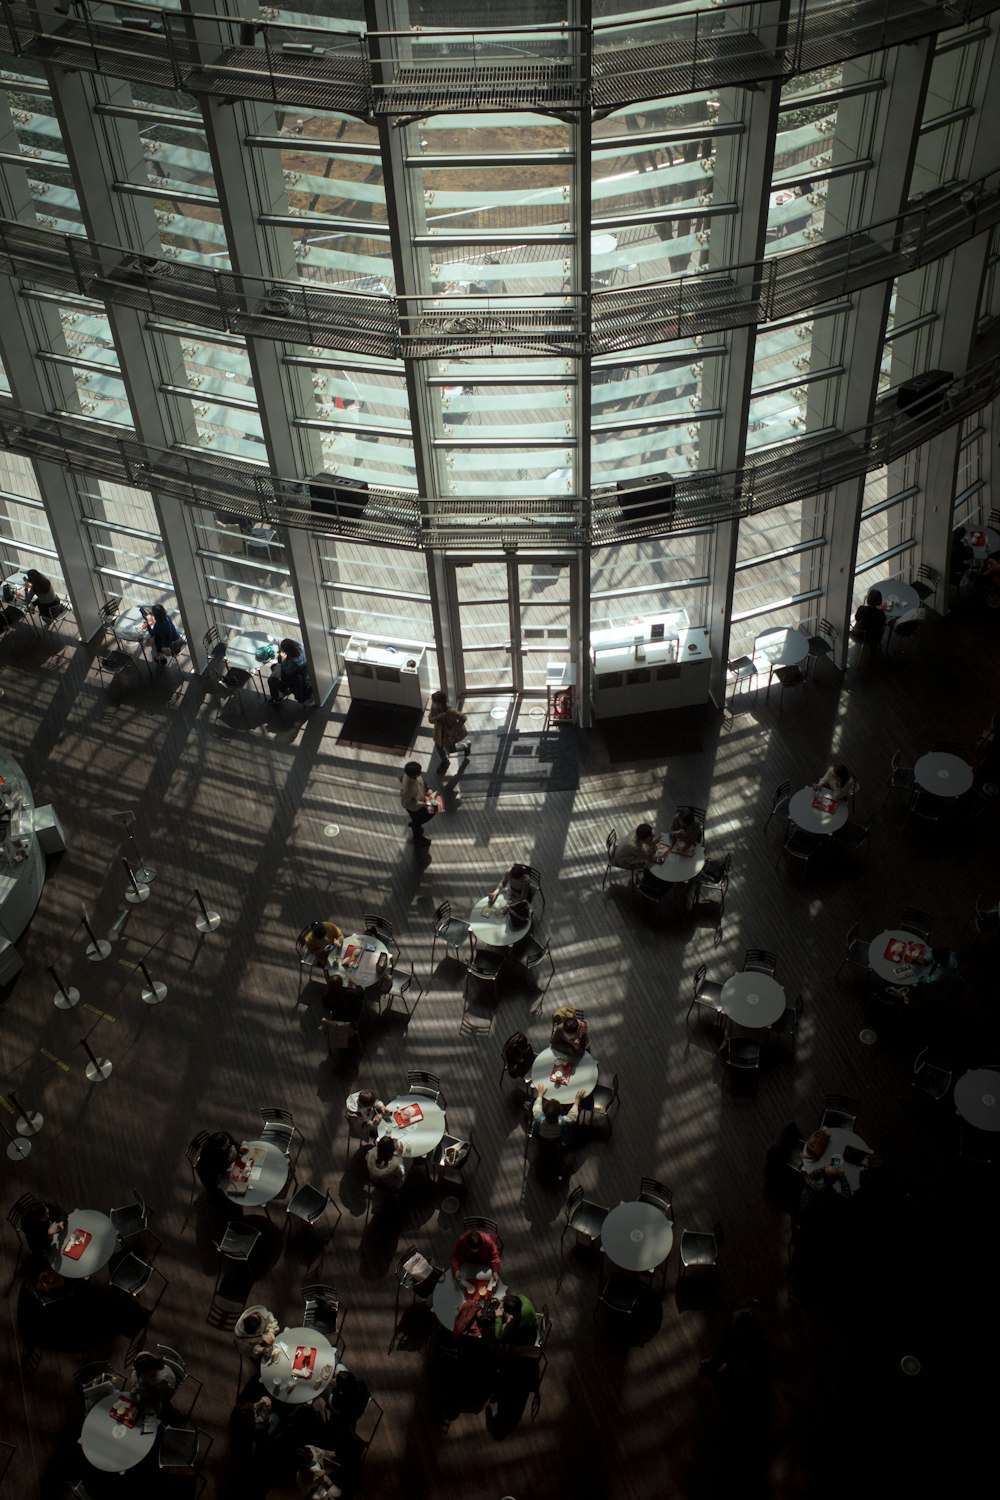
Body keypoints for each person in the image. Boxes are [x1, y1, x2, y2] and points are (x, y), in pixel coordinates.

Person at [531, 1085, 585, 1180]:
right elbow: (573, 1116)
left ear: (543, 1111)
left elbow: (536, 1106)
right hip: (556, 1141)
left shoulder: (538, 1116)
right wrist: (577, 1100)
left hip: (541, 1139)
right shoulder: (563, 1122)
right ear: (561, 1112)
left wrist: (539, 1095)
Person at [428, 689, 470, 774]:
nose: (433, 704)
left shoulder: (450, 711)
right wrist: (438, 717)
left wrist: (455, 727)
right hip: (439, 733)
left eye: (435, 702)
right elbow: (430, 720)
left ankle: (465, 747)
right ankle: (445, 761)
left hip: (449, 735)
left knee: (451, 750)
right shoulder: (434, 709)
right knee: (438, 746)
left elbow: (463, 717)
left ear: (440, 703)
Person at [400, 761, 437, 846]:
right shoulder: (406, 789)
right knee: (422, 818)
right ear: (413, 775)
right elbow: (406, 803)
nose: (420, 773)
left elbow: (421, 781)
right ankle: (417, 837)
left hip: (422, 801)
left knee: (424, 816)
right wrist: (423, 804)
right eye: (419, 772)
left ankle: (415, 823)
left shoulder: (413, 775)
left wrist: (427, 789)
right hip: (415, 809)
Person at [268, 638, 312, 707]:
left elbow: (287, 672)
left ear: (287, 651)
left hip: (294, 678)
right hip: (305, 674)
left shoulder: (294, 662)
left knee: (271, 679)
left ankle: (278, 696)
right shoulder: (302, 647)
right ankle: (281, 692)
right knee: (274, 668)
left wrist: (282, 660)